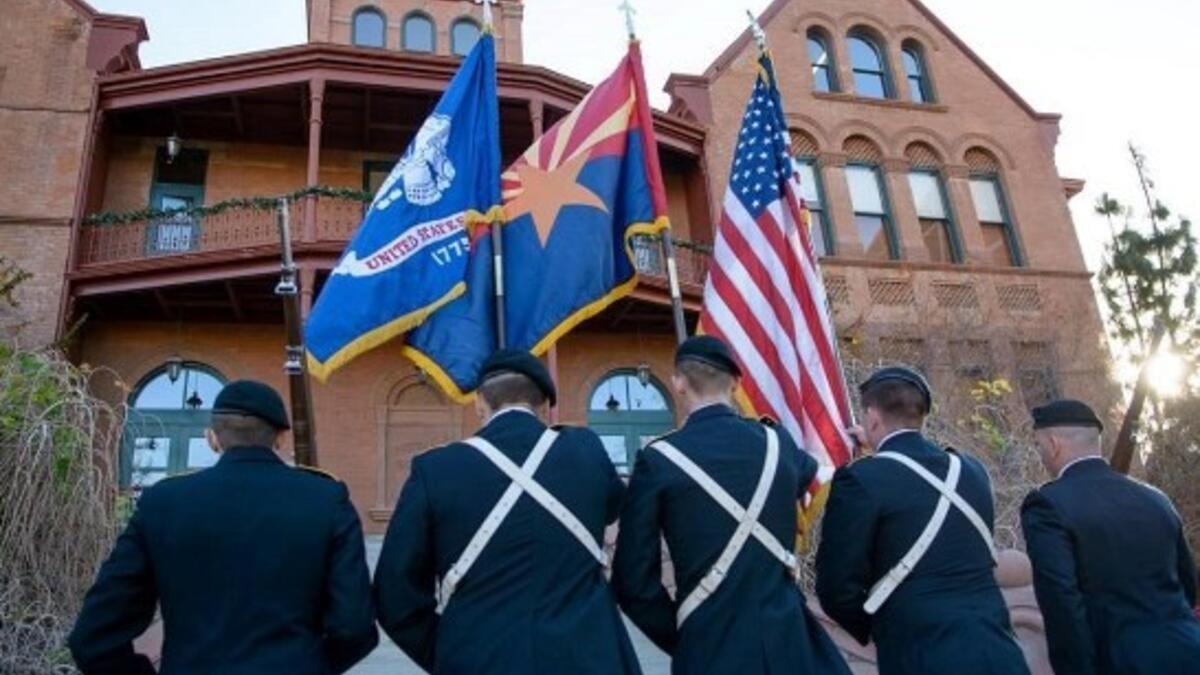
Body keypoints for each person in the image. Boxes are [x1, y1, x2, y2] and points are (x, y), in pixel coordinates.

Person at [69, 379, 377, 675]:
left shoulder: (163, 503)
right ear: (281, 438)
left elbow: (93, 639)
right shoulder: (325, 499)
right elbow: (355, 628)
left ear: (212, 438)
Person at [373, 349, 641, 674]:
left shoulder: (436, 469)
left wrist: (449, 647)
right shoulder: (586, 451)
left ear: (479, 403)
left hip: (477, 656)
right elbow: (614, 507)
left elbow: (395, 595)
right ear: (543, 405)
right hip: (587, 658)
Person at [613, 336, 850, 675]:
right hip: (790, 644)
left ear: (678, 383)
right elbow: (815, 472)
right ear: (737, 383)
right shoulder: (777, 442)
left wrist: (686, 631)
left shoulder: (658, 461)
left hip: (709, 645)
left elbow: (632, 581)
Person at [815, 366, 1029, 675]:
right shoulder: (972, 471)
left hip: (921, 655)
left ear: (872, 418)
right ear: (922, 417)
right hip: (999, 653)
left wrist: (880, 627)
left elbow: (836, 589)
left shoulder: (860, 479)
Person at [1022, 399, 1200, 674]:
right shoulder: (1156, 499)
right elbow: (1187, 583)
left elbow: (1061, 601)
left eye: (1038, 446)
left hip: (1119, 662)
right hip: (1188, 651)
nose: (1040, 455)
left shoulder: (1047, 505)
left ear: (1054, 444)